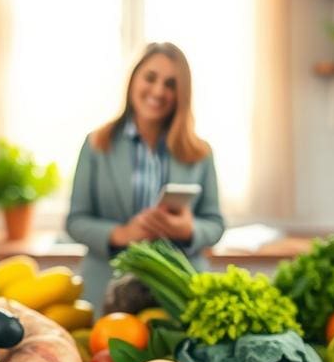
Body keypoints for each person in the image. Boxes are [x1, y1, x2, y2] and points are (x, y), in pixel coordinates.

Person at [66, 42, 225, 311]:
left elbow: (215, 224)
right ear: (133, 80)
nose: (159, 91)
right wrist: (122, 234)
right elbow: (75, 221)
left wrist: (188, 230)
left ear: (181, 93)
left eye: (171, 84)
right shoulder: (96, 144)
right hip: (107, 288)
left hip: (178, 291)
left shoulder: (200, 152)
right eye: (150, 78)